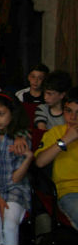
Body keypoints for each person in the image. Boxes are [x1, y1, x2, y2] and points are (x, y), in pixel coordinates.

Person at [0, 92, 32, 245]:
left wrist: (28, 158)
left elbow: (16, 178)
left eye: (1, 114)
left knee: (9, 225)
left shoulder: (21, 138)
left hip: (15, 190)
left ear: (12, 113)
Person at [35, 87, 78, 230]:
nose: (73, 117)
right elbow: (40, 162)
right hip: (70, 192)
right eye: (69, 111)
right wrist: (65, 140)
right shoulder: (55, 132)